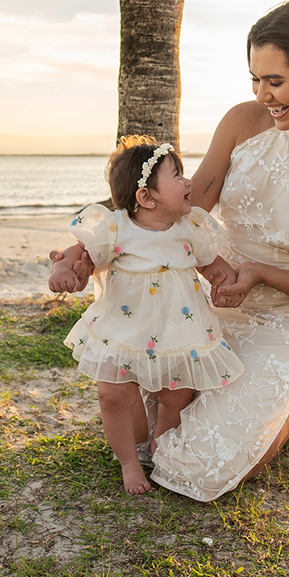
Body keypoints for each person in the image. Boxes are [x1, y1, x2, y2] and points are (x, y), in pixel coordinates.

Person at [55, 0, 289, 501]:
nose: (262, 95)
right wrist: (88, 248)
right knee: (149, 426)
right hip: (213, 307)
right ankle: (280, 390)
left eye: (275, 81)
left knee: (194, 465)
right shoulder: (243, 123)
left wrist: (263, 274)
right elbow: (181, 208)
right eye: (254, 79)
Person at [49, 136, 246, 495]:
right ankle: (128, 462)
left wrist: (228, 282)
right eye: (177, 175)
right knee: (113, 396)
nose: (188, 182)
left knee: (176, 398)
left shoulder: (191, 229)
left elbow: (213, 265)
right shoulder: (115, 228)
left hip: (179, 332)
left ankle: (161, 449)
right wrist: (64, 270)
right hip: (121, 333)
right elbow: (76, 253)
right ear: (146, 197)